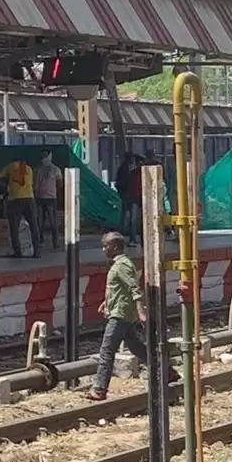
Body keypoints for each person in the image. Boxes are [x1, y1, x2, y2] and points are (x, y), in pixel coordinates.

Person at [87, 232, 148, 401]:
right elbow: (118, 289)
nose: (103, 249)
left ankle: (99, 389)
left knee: (107, 351)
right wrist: (106, 302)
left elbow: (134, 289)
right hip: (121, 311)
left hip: (120, 315)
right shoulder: (120, 264)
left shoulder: (122, 265)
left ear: (114, 247)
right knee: (136, 347)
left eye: (106, 246)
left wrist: (141, 312)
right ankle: (166, 371)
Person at [0, 158, 40, 258]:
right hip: (30, 199)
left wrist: (7, 184)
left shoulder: (10, 166)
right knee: (34, 226)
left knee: (14, 228)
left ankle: (18, 252)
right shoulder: (29, 169)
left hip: (15, 199)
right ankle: (37, 252)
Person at [33, 150, 63, 251]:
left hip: (51, 198)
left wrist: (56, 196)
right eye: (42, 156)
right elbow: (34, 184)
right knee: (39, 221)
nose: (43, 158)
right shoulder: (37, 169)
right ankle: (40, 240)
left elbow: (59, 184)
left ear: (50, 156)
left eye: (45, 155)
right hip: (39, 198)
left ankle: (55, 241)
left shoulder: (56, 169)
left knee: (53, 221)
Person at [115, 151, 142, 245]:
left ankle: (121, 238)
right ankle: (131, 239)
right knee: (132, 219)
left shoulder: (123, 169)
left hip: (127, 196)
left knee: (124, 218)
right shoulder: (132, 171)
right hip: (132, 196)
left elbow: (117, 182)